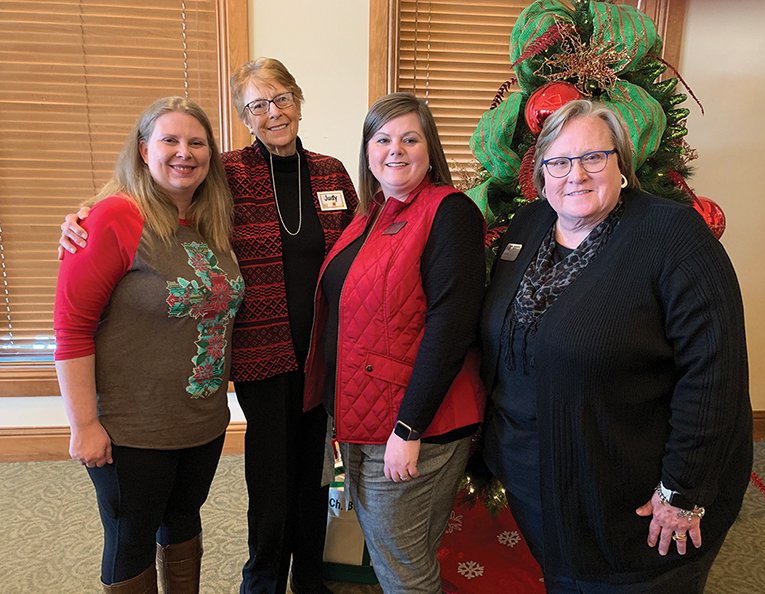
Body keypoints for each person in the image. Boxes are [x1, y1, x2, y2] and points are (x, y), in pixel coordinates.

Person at [59, 58, 358, 594]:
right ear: (244, 118)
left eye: (281, 98)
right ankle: (262, 580)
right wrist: (86, 213)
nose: (273, 112)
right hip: (258, 355)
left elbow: (358, 249)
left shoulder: (333, 173)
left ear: (298, 99)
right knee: (269, 484)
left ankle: (311, 577)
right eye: (257, 105)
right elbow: (156, 198)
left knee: (314, 476)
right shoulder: (226, 172)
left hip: (320, 357)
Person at [479, 99, 752, 593]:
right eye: (558, 162)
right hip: (539, 487)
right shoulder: (528, 226)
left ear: (620, 164)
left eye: (593, 158)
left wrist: (682, 491)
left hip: (631, 500)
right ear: (541, 173)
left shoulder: (672, 235)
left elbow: (715, 374)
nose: (575, 174)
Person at [54, 96, 244, 593]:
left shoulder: (212, 222)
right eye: (170, 140)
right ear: (143, 150)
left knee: (183, 521)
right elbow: (71, 329)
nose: (185, 152)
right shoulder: (112, 218)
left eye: (197, 142)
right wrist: (84, 424)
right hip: (130, 429)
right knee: (131, 536)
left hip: (201, 420)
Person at [303, 92, 487, 594]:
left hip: (414, 426)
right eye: (382, 139)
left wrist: (409, 427)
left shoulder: (449, 213)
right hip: (365, 419)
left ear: (431, 150)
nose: (396, 150)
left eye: (411, 138)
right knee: (402, 556)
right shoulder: (367, 219)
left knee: (401, 566)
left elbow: (451, 328)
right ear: (367, 151)